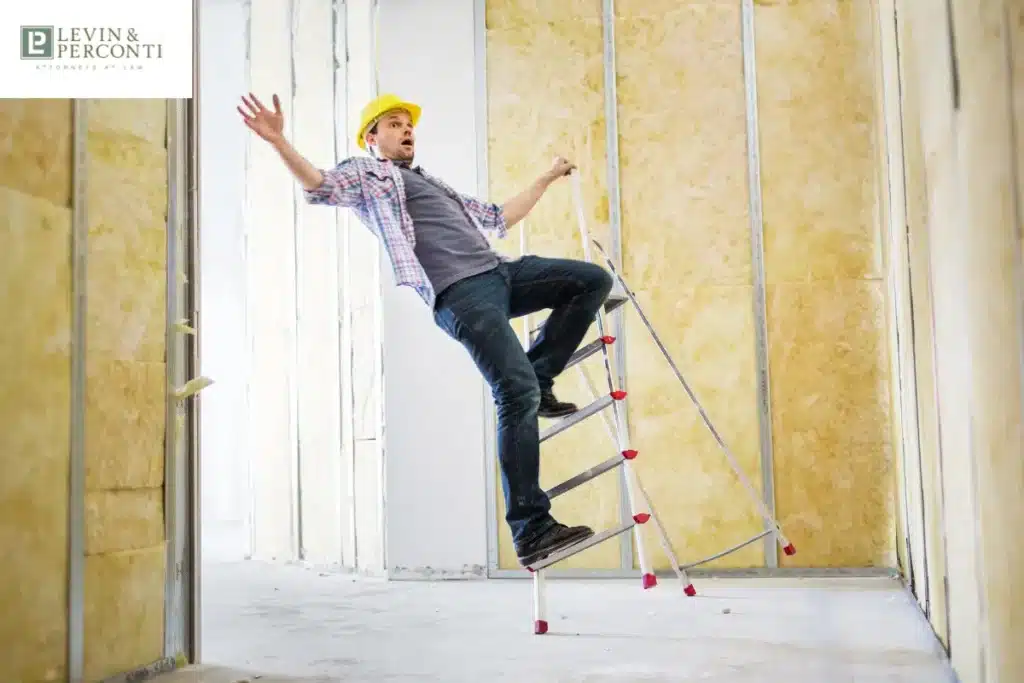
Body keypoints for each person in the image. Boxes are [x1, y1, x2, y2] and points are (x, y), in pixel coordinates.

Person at [238, 91, 614, 567]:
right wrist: (278, 141)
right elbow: (321, 185)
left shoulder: (431, 183)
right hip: (462, 294)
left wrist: (547, 176)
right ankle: (532, 529)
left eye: (408, 124)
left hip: (501, 273)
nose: (406, 130)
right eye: (394, 124)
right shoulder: (369, 174)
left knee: (591, 281)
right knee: (514, 392)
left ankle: (541, 377)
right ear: (372, 137)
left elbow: (498, 217)